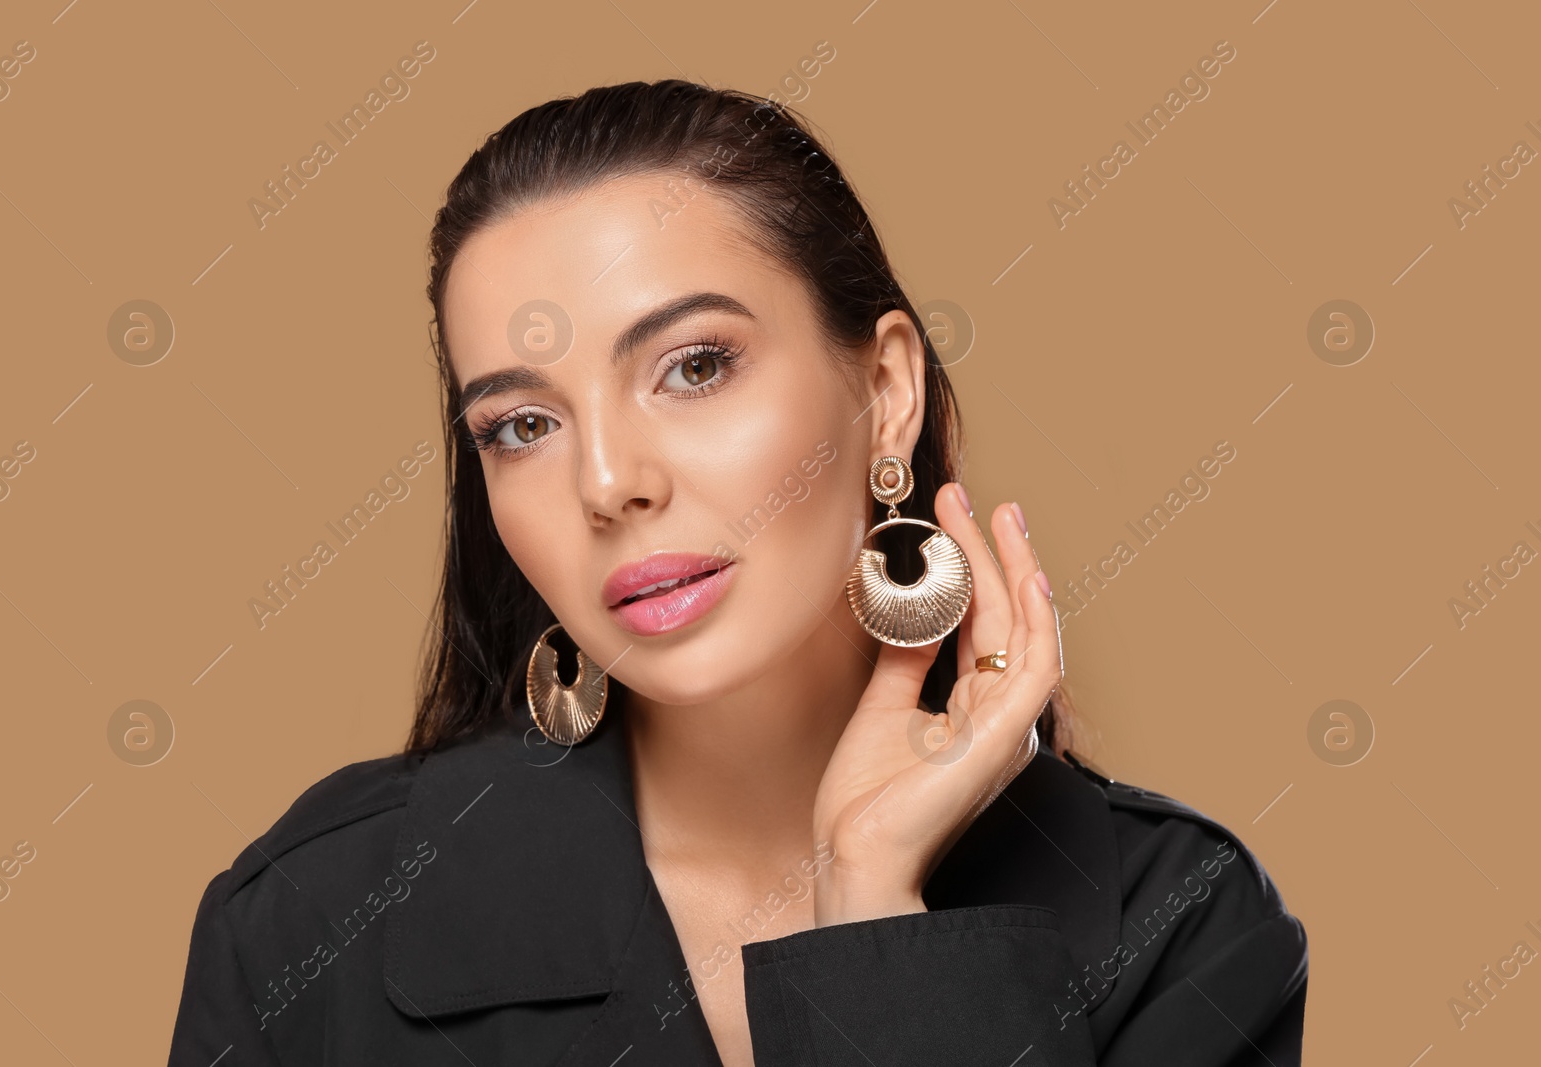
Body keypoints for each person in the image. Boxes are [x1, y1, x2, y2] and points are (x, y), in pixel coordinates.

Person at [166, 79, 1307, 1066]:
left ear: (888, 392)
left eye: (694, 365)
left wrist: (868, 903)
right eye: (520, 426)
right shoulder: (313, 917)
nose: (609, 480)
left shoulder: (1179, 922)